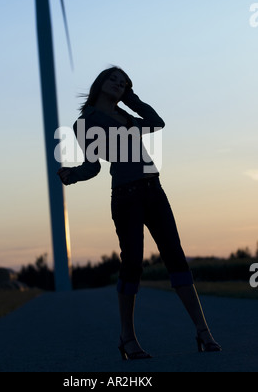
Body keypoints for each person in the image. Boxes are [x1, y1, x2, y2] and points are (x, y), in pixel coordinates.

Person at [58, 67, 221, 360]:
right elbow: (92, 165)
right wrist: (72, 174)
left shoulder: (129, 117)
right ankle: (128, 337)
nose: (119, 85)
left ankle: (203, 331)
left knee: (176, 257)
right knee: (132, 264)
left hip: (154, 190)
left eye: (124, 83)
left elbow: (157, 122)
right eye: (114, 80)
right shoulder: (86, 122)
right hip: (126, 197)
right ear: (100, 83)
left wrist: (131, 97)